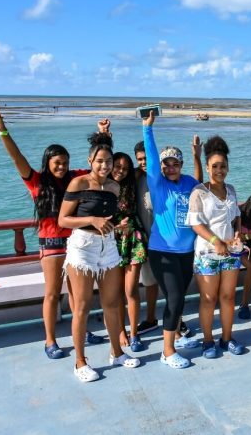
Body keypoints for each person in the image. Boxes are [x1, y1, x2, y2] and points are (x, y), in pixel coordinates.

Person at [0, 102, 103, 360]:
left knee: (77, 292)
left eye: (65, 162)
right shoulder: (36, 181)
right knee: (52, 293)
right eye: (57, 162)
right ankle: (50, 340)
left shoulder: (76, 179)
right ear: (48, 162)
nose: (61, 166)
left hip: (75, 242)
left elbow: (100, 168)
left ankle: (81, 332)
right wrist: (2, 130)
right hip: (50, 245)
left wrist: (104, 137)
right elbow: (17, 157)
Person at [58, 132, 141, 382]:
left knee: (113, 303)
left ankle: (116, 352)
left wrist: (117, 226)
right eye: (100, 161)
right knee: (82, 307)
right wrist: (91, 220)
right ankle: (80, 361)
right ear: (90, 160)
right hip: (82, 247)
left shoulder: (114, 187)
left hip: (108, 247)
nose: (105, 166)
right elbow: (63, 220)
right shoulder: (79, 184)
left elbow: (106, 220)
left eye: (109, 162)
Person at [142, 111, 202, 369]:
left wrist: (197, 156)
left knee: (176, 299)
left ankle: (176, 335)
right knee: (176, 299)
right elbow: (152, 161)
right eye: (166, 164)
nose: (169, 167)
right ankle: (167, 352)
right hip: (162, 250)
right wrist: (147, 129)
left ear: (180, 165)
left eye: (174, 163)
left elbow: (200, 183)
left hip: (187, 251)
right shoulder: (157, 183)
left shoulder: (188, 182)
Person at [188, 136, 247, 358]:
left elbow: (236, 217)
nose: (219, 170)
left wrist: (238, 234)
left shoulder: (231, 190)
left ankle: (226, 338)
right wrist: (216, 242)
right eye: (214, 166)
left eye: (223, 166)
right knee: (209, 299)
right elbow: (195, 223)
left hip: (231, 253)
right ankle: (207, 341)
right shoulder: (199, 192)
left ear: (228, 168)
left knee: (228, 297)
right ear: (207, 168)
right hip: (207, 254)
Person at [110, 152, 148, 352]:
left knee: (130, 289)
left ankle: (134, 334)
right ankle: (121, 331)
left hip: (134, 237)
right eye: (117, 166)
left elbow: (146, 163)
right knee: (116, 292)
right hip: (112, 240)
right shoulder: (104, 185)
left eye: (125, 168)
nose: (121, 171)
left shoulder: (133, 179)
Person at [133, 141, 159, 335]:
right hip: (147, 241)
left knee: (171, 285)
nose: (143, 162)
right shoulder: (136, 178)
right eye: (140, 159)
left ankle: (177, 321)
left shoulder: (164, 176)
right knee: (149, 282)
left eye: (146, 158)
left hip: (166, 243)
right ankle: (151, 319)